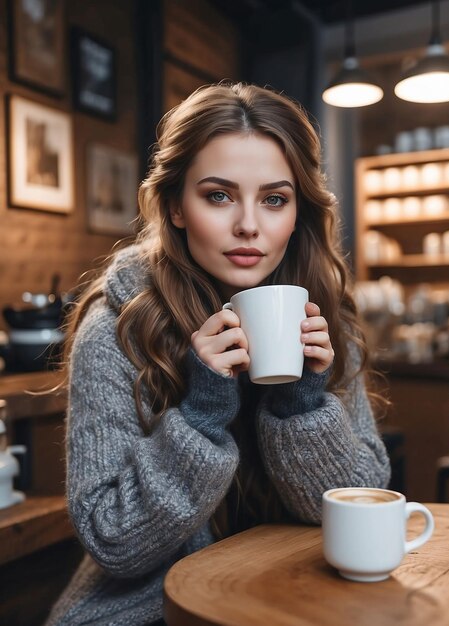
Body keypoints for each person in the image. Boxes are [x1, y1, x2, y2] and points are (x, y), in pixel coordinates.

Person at [45, 82, 390, 626]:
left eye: (274, 199)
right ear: (176, 206)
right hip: (152, 611)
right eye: (218, 195)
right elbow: (112, 540)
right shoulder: (118, 329)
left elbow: (364, 504)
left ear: (298, 213)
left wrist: (302, 407)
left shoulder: (324, 319)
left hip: (296, 596)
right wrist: (200, 418)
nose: (248, 225)